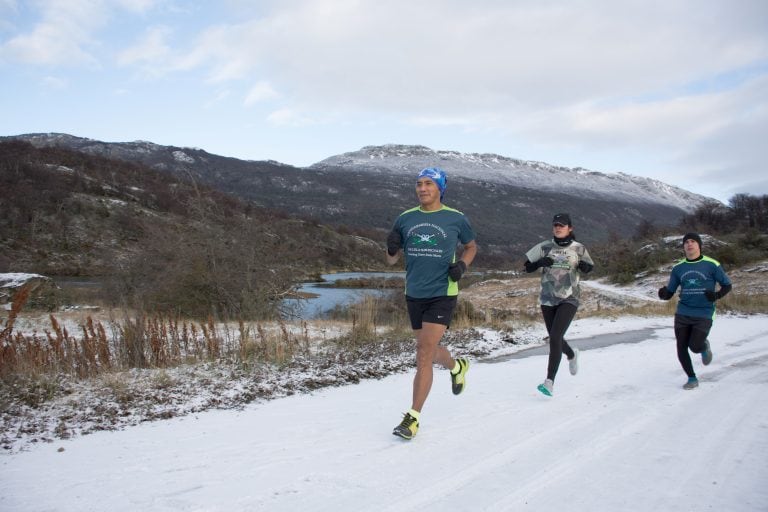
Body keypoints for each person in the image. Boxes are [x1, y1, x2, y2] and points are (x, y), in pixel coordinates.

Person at [386, 167, 477, 440]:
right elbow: (391, 260)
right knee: (431, 349)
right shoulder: (405, 218)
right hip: (414, 292)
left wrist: (462, 265)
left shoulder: (456, 218)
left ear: (440, 188)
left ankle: (412, 418)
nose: (422, 188)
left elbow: (471, 246)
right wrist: (391, 247)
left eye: (428, 184)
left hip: (442, 292)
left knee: (423, 352)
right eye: (418, 184)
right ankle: (457, 367)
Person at [523, 213, 594, 397]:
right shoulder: (545, 246)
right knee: (555, 337)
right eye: (555, 225)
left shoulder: (578, 248)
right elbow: (526, 266)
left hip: (569, 297)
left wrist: (585, 268)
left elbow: (589, 265)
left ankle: (549, 382)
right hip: (547, 298)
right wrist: (539, 263)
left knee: (555, 336)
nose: (558, 228)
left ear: (570, 228)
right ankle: (571, 354)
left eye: (562, 225)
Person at [657, 232, 732, 390]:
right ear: (683, 247)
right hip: (683, 312)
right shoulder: (678, 268)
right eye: (686, 242)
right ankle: (692, 378)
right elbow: (670, 291)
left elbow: (727, 285)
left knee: (695, 346)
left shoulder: (711, 264)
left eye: (693, 241)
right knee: (681, 346)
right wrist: (664, 294)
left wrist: (717, 295)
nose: (689, 244)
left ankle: (703, 346)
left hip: (704, 313)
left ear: (699, 245)